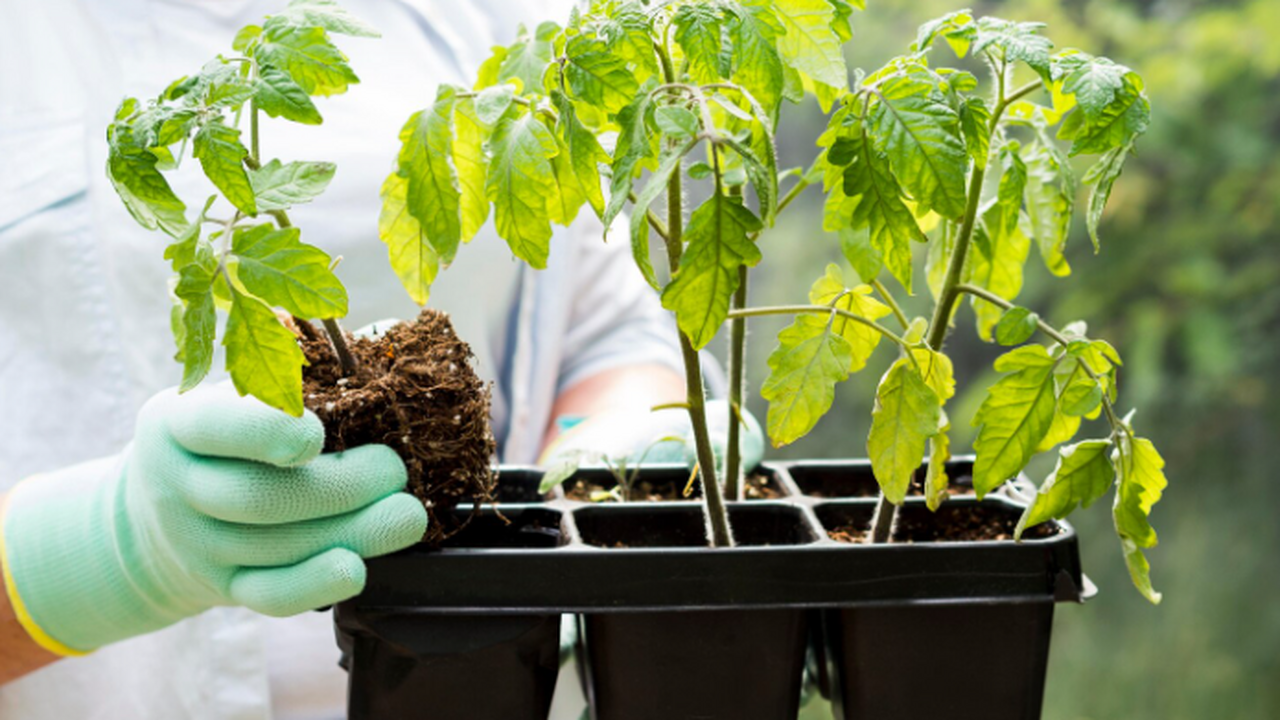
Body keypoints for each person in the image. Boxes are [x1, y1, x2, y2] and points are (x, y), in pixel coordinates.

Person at [0, 1, 761, 718]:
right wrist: (109, 550)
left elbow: (601, 317)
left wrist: (616, 443)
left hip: (485, 673)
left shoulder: (510, 20)